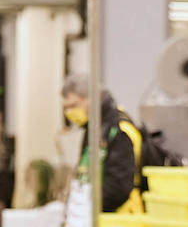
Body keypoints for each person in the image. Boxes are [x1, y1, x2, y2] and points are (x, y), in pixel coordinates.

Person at [61, 74, 144, 213]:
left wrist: (87, 206)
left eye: (74, 105)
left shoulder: (119, 129)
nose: (69, 112)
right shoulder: (93, 127)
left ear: (92, 98)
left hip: (121, 217)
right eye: (66, 108)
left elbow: (120, 186)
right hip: (94, 215)